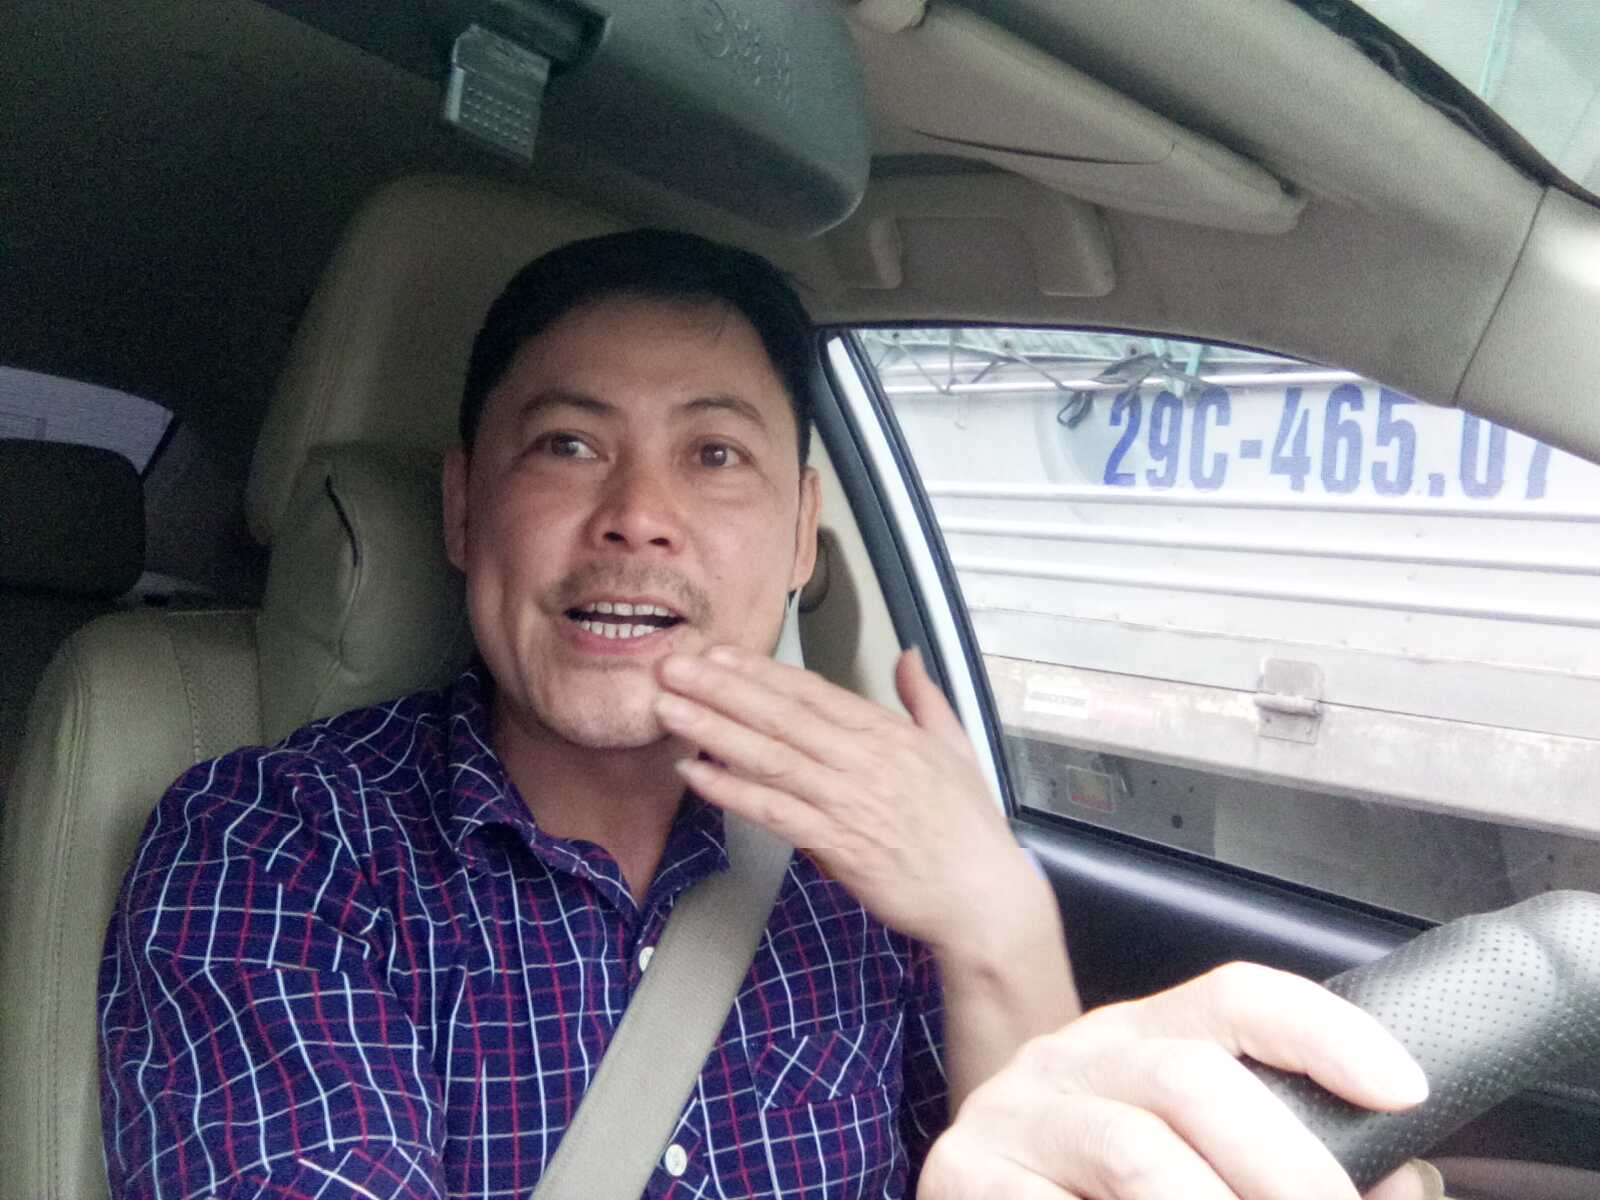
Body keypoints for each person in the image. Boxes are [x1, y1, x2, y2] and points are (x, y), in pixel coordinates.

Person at [99, 230, 1435, 1200]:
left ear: (802, 535)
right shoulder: (276, 844)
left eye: (715, 454)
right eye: (568, 444)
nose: (637, 515)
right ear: (461, 508)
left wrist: (999, 924)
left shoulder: (881, 850)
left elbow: (1028, 1156)